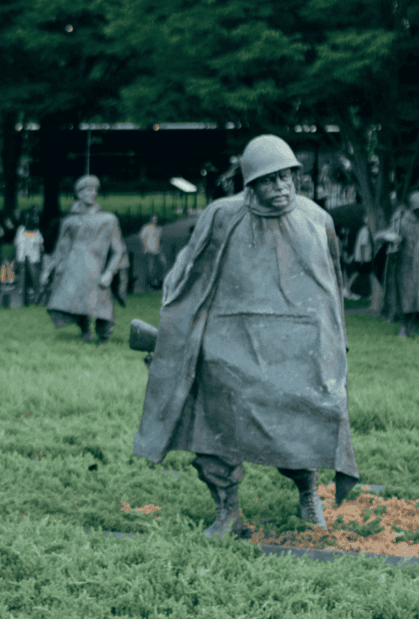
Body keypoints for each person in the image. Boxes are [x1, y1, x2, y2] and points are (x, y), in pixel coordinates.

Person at [133, 134, 359, 539]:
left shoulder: (315, 220)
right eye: (269, 181)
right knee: (212, 427)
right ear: (250, 184)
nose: (281, 188)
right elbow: (188, 272)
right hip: (231, 343)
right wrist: (177, 334)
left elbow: (332, 285)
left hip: (296, 345)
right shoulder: (223, 215)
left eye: (287, 177)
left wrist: (334, 342)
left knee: (299, 423)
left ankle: (308, 491)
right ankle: (228, 510)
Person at [46, 175, 125, 343]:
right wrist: (48, 269)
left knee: (102, 306)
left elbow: (119, 250)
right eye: (87, 190)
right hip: (73, 270)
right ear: (79, 193)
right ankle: (84, 331)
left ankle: (104, 336)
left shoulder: (108, 219)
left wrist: (110, 273)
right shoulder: (70, 221)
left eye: (94, 189)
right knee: (76, 303)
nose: (92, 193)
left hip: (96, 269)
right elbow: (62, 248)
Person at [376, 191, 419, 335]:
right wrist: (390, 237)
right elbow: (379, 236)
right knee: (405, 298)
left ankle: (412, 327)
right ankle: (404, 327)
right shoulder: (400, 220)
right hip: (404, 266)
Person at [15, 213, 44, 301]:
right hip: (33, 259)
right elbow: (41, 247)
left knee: (24, 276)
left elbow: (16, 243)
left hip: (23, 257)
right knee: (34, 277)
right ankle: (36, 294)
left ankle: (24, 293)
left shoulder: (21, 230)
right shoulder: (37, 233)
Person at [140, 215, 163, 290]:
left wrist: (160, 250)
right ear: (150, 219)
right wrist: (146, 248)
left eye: (156, 219)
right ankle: (151, 283)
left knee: (159, 266)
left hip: (157, 251)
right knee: (151, 267)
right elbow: (142, 238)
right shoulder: (146, 228)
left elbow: (160, 240)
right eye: (154, 219)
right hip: (149, 251)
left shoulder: (159, 229)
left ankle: (156, 281)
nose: (155, 220)